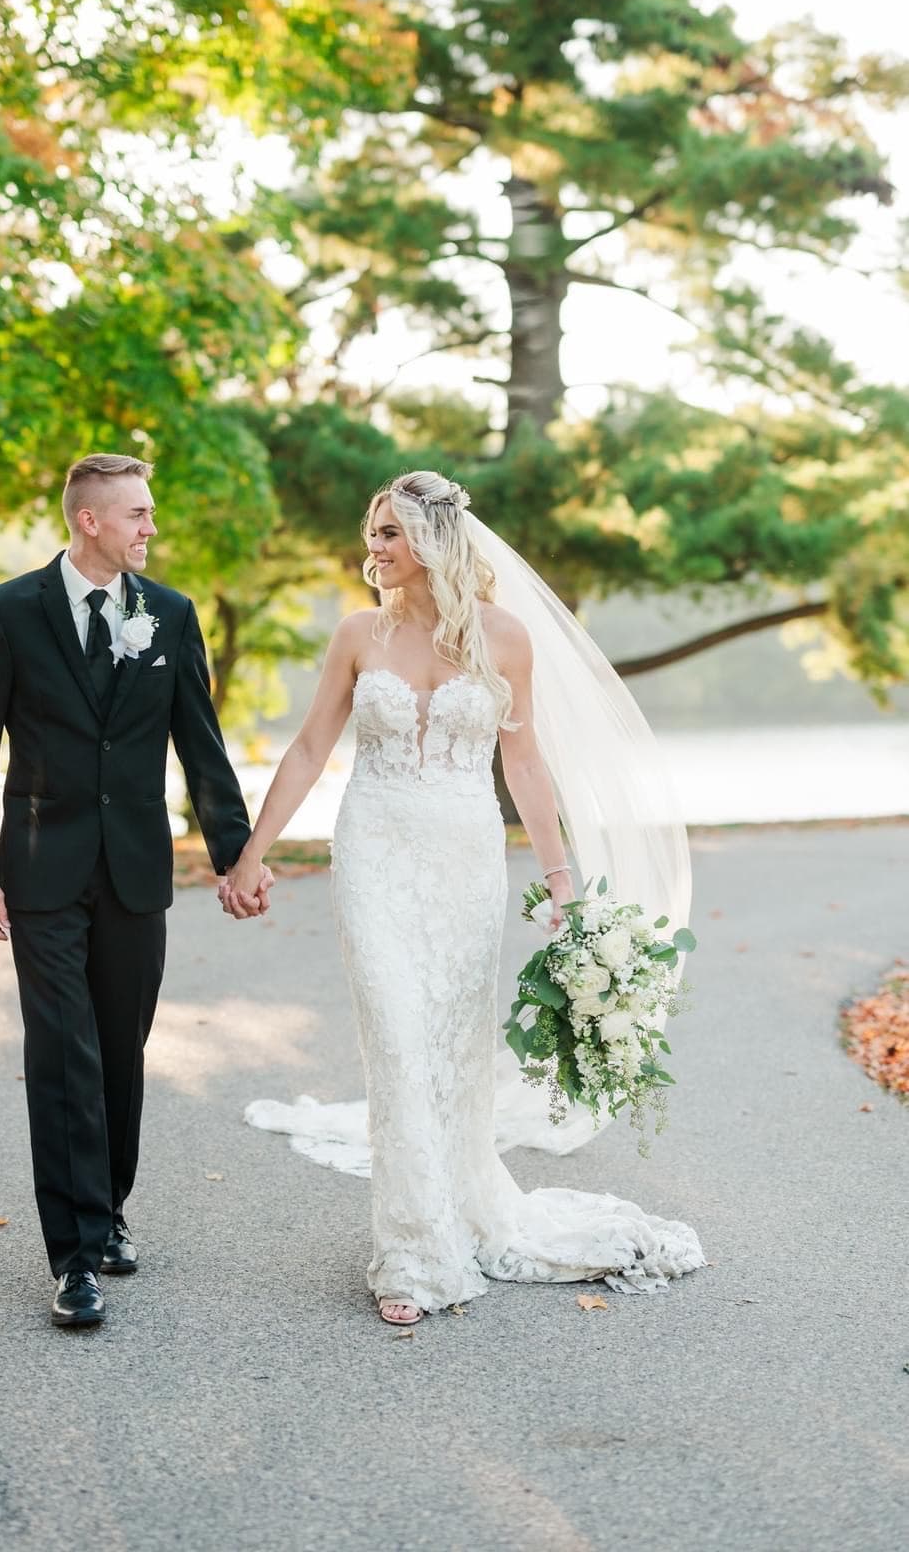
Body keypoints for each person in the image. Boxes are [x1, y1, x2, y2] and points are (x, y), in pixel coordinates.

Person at [220, 471, 703, 1325]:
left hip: (466, 860)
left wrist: (562, 880)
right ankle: (411, 1254)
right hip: (374, 852)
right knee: (398, 1042)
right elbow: (306, 751)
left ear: (436, 542)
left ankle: (462, 1207)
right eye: (373, 532)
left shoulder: (505, 638)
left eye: (391, 535)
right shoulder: (358, 634)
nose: (374, 549)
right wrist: (251, 856)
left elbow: (524, 766)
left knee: (452, 1047)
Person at [0, 452, 272, 1329]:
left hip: (134, 869)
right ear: (89, 520)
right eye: (137, 514)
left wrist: (237, 854)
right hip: (41, 870)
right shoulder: (8, 612)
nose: (150, 528)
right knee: (62, 1052)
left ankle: (111, 1208)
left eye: (150, 512)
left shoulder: (170, 614)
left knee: (120, 1049)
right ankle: (75, 1255)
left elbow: (201, 745)